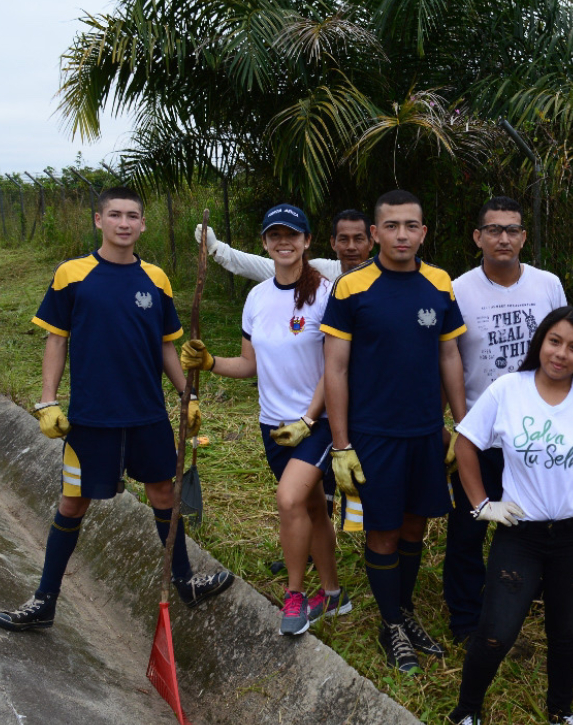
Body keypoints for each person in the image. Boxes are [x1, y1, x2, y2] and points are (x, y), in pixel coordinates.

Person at [0, 187, 234, 632]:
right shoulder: (72, 274)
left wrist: (188, 395)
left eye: (133, 216)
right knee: (72, 504)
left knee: (165, 496)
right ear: (98, 221)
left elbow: (166, 347)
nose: (124, 223)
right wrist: (47, 401)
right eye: (115, 215)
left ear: (143, 224)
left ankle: (185, 583)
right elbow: (57, 340)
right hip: (91, 418)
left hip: (147, 415)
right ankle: (44, 600)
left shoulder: (156, 279)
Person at [447, 306, 573, 725]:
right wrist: (482, 504)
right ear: (540, 341)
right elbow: (465, 442)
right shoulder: (509, 390)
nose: (561, 354)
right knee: (497, 629)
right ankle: (466, 710)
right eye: (554, 341)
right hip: (519, 534)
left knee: (566, 632)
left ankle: (560, 709)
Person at [178, 204, 351, 636]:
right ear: (265, 243)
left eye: (292, 235)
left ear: (308, 242)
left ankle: (294, 595)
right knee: (313, 509)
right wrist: (210, 361)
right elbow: (249, 365)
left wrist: (310, 421)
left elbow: (334, 368)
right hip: (271, 424)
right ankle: (332, 596)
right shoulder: (256, 298)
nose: (284, 242)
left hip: (319, 422)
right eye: (275, 235)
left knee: (290, 500)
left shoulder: (326, 293)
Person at [321, 189, 467, 675]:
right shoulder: (351, 288)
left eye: (411, 225)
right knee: (381, 530)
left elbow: (449, 357)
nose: (402, 234)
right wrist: (341, 445)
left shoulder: (440, 284)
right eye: (392, 226)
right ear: (375, 233)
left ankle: (403, 611)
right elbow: (335, 369)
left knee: (414, 525)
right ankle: (391, 626)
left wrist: (461, 428)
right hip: (373, 434)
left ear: (423, 232)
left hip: (426, 432)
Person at [445, 196, 567, 643]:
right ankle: (465, 616)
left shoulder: (547, 285)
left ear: (523, 237)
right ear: (478, 237)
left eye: (512, 229)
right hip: (482, 431)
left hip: (538, 431)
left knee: (535, 522)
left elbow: (564, 346)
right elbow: (449, 360)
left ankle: (526, 598)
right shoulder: (457, 290)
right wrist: (459, 428)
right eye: (493, 229)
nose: (503, 238)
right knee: (469, 526)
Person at [195, 209, 372, 283]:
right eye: (343, 239)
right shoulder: (320, 272)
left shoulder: (385, 276)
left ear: (371, 242)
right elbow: (262, 267)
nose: (351, 247)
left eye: (358, 239)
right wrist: (216, 247)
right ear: (333, 243)